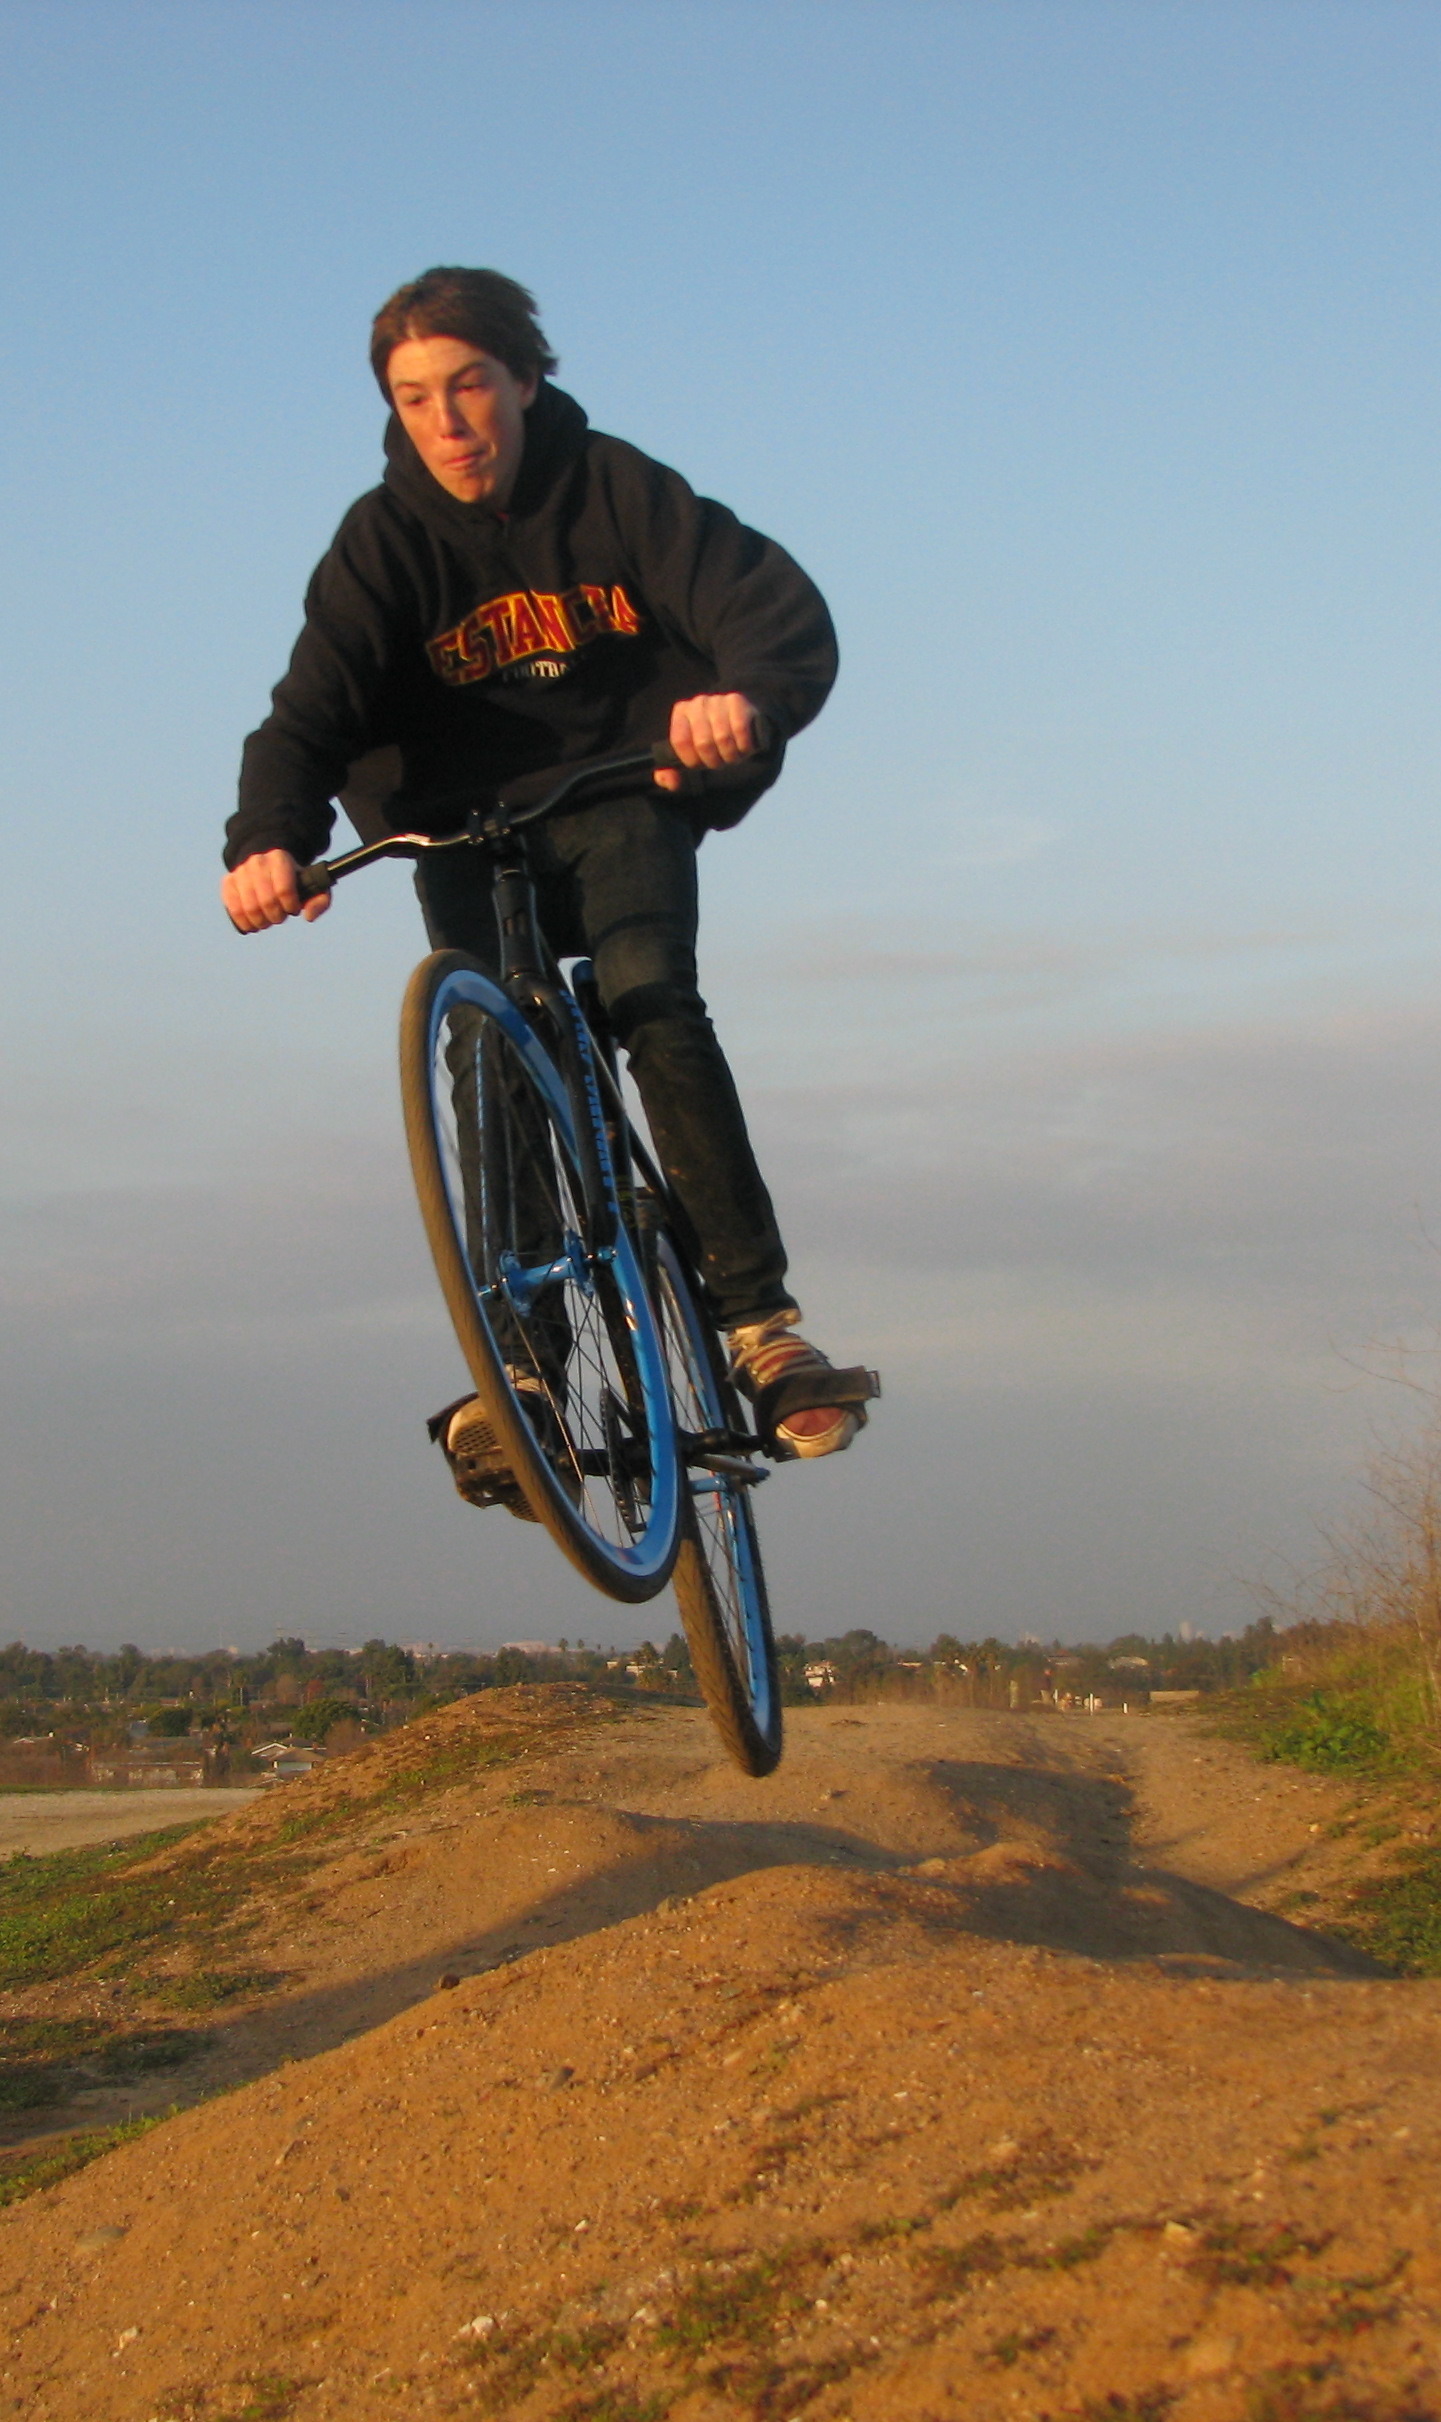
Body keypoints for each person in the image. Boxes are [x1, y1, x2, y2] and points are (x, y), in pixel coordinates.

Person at [224, 267, 875, 1516]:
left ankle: (762, 1329)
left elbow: (766, 604)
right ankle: (524, 1373)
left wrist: (744, 698)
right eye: (416, 398)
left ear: (525, 380)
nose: (449, 421)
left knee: (648, 998)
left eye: (470, 385)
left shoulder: (613, 487)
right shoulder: (383, 543)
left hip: (623, 786)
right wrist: (268, 841)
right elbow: (308, 712)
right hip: (460, 825)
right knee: (488, 1047)